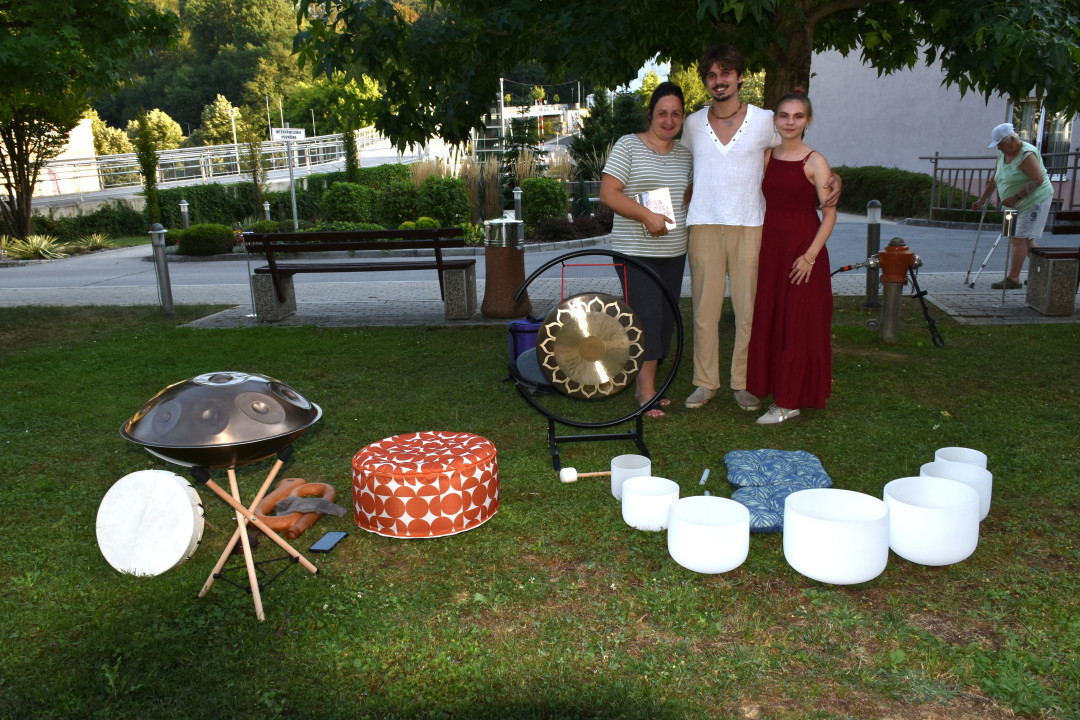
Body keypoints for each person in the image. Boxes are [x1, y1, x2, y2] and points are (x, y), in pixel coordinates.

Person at [679, 45, 841, 412]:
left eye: (725, 73)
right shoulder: (692, 123)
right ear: (706, 81)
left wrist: (834, 179)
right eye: (712, 75)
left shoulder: (766, 120)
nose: (719, 81)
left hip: (752, 226)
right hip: (704, 225)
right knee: (704, 312)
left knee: (749, 312)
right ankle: (705, 382)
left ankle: (743, 383)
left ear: (740, 77)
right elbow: (689, 166)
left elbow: (797, 155)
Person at [599, 81, 693, 418]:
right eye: (662, 113)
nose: (669, 120)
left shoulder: (685, 154)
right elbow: (608, 193)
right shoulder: (629, 145)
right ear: (651, 113)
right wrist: (646, 215)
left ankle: (644, 384)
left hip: (674, 251)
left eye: (676, 114)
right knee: (648, 317)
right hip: (635, 252)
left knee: (666, 318)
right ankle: (646, 393)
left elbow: (687, 197)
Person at [745, 90, 836, 425]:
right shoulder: (768, 157)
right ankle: (776, 389)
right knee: (775, 320)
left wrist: (809, 257)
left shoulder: (815, 161)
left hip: (804, 254)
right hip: (773, 252)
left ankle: (789, 402)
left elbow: (830, 215)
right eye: (784, 115)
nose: (790, 122)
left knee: (798, 325)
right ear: (775, 119)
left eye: (798, 116)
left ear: (808, 121)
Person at [972, 123, 1054, 289]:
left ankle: (1013, 278)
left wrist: (1016, 197)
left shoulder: (1026, 155)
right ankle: (1044, 273)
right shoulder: (1003, 154)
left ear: (1012, 140)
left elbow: (1038, 180)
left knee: (1019, 237)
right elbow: (995, 178)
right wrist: (982, 200)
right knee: (1020, 238)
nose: (999, 148)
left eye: (1001, 144)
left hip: (1032, 201)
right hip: (1010, 205)